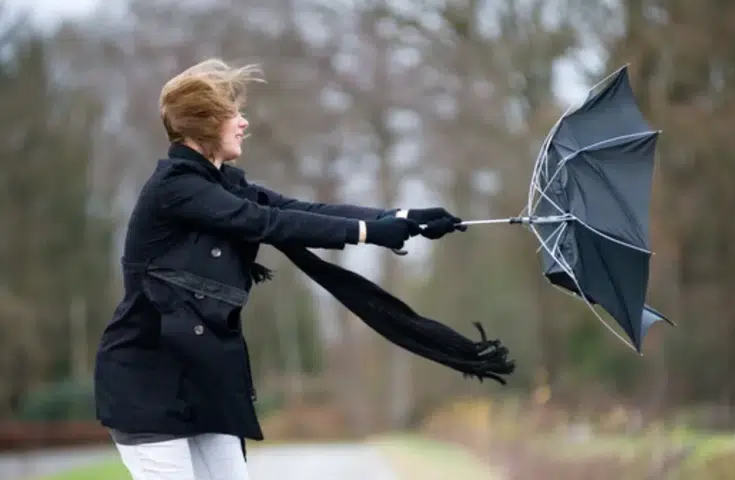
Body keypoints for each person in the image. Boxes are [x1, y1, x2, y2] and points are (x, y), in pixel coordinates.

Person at [92, 58, 468, 480]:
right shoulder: (175, 188)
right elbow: (267, 223)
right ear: (205, 122)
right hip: (148, 383)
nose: (243, 123)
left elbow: (297, 209)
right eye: (233, 114)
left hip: (202, 380)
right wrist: (369, 233)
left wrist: (403, 216)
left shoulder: (223, 183)